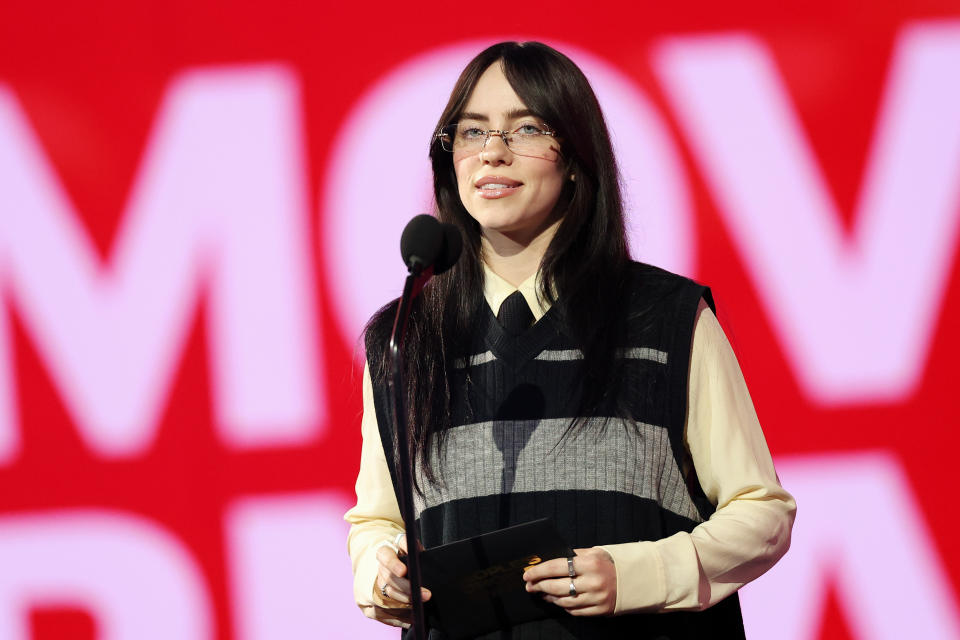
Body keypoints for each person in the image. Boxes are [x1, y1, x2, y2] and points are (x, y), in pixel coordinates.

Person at [345, 41, 796, 639]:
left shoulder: (663, 317)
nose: (493, 154)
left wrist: (636, 574)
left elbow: (760, 510)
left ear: (576, 158)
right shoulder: (406, 337)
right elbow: (378, 519)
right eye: (472, 132)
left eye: (526, 128)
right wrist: (383, 577)